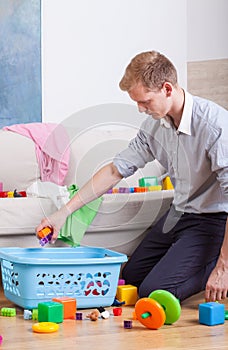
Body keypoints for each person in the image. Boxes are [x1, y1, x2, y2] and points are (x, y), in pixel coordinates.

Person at [36, 50, 228, 303]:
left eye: (145, 102)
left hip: (213, 219)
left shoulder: (214, 126)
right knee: (132, 277)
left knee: (154, 293)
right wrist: (63, 212)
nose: (140, 109)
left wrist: (223, 267)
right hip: (179, 213)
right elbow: (116, 170)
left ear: (167, 89)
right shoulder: (154, 125)